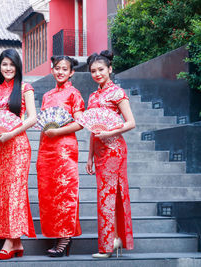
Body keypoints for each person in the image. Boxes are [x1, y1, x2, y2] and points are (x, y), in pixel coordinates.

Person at [0, 48, 37, 260]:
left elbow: (32, 118)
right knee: (6, 191)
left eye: (11, 64)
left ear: (18, 67)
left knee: (16, 190)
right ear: (0, 67)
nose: (8, 68)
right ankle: (17, 242)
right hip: (0, 147)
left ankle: (9, 240)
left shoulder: (25, 88)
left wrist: (11, 133)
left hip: (18, 145)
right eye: (4, 64)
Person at [85, 50, 135, 258]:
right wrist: (89, 156)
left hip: (114, 149)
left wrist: (109, 132)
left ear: (110, 69)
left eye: (101, 69)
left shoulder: (118, 93)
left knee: (108, 196)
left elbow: (131, 123)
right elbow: (91, 127)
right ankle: (114, 238)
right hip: (98, 150)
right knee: (104, 195)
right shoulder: (92, 96)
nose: (97, 74)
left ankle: (108, 244)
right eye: (93, 71)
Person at [36, 55, 85, 257]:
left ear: (71, 72)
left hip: (65, 148)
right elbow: (43, 122)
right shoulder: (47, 95)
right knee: (48, 192)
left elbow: (81, 123)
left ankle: (65, 237)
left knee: (65, 192)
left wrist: (58, 132)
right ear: (52, 70)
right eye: (57, 68)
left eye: (64, 69)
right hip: (46, 148)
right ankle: (56, 233)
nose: (60, 72)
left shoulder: (74, 94)